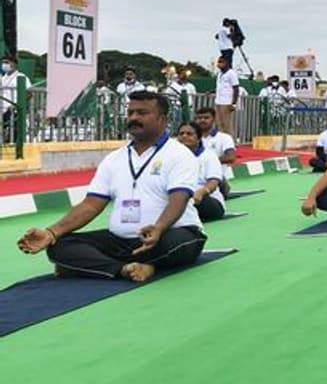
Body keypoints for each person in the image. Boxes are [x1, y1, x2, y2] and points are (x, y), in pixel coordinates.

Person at [16, 92, 205, 282]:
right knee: (60, 246)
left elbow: (179, 198)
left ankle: (92, 266)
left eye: (142, 113)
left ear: (163, 119)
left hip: (170, 234)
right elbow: (91, 204)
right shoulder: (114, 159)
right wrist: (51, 232)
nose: (133, 118)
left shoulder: (179, 154)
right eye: (130, 112)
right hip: (121, 241)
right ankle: (126, 269)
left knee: (177, 244)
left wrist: (159, 228)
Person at [176, 122, 225, 222]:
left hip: (206, 200)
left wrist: (202, 192)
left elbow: (213, 182)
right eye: (181, 134)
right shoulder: (172, 157)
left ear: (198, 139)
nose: (184, 136)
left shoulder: (209, 156)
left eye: (189, 134)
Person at [1, 55, 30, 144]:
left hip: (14, 110)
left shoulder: (21, 76)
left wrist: (17, 104)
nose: (4, 65)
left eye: (7, 62)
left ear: (14, 64)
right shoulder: (3, 78)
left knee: (15, 133)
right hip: (3, 110)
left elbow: (29, 93)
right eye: (3, 62)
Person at [213, 56, 239, 139]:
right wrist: (210, 91)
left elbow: (236, 88)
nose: (219, 64)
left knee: (227, 125)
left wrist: (234, 103)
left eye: (221, 62)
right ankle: (221, 143)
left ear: (226, 63)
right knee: (218, 124)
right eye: (218, 62)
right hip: (218, 101)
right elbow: (220, 87)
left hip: (227, 102)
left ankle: (229, 143)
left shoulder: (232, 73)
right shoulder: (219, 74)